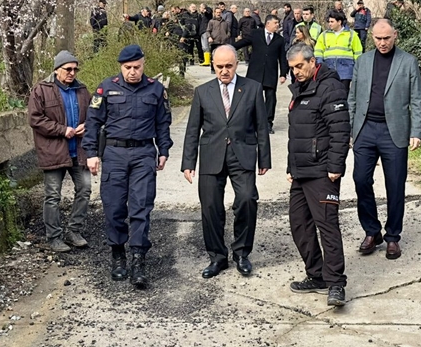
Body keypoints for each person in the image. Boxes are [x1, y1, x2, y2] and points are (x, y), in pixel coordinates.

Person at [83, 45, 173, 289]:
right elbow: (92, 122)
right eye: (128, 68)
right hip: (114, 153)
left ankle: (138, 259)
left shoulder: (155, 89)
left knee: (141, 207)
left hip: (144, 153)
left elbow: (163, 123)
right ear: (120, 67)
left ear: (144, 65)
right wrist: (91, 153)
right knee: (113, 207)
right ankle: (118, 254)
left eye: (137, 67)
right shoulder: (106, 87)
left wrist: (164, 150)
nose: (133, 72)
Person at [181, 45, 271, 279]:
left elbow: (261, 126)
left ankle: (242, 253)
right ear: (213, 66)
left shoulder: (252, 89)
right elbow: (192, 130)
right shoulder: (203, 92)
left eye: (228, 66)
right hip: (212, 155)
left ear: (236, 64)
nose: (224, 71)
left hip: (242, 153)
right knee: (210, 206)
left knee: (247, 199)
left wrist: (265, 158)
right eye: (219, 66)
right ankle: (217, 257)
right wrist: (188, 162)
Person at [349, 20, 421, 260]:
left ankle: (393, 237)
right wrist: (351, 130)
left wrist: (416, 131)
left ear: (395, 36)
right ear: (372, 37)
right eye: (378, 38)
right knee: (360, 180)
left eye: (387, 38)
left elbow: (416, 100)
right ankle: (372, 231)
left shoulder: (408, 62)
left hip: (395, 131)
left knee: (395, 185)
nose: (382, 43)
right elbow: (352, 97)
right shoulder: (362, 61)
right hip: (365, 130)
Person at [284, 43, 350, 308]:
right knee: (299, 224)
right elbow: (297, 132)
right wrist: (291, 166)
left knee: (327, 226)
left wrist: (336, 166)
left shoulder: (330, 87)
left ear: (312, 62)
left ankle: (336, 283)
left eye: (300, 66)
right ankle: (316, 275)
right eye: (292, 68)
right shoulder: (300, 87)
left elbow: (340, 130)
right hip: (301, 171)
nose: (296, 72)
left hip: (323, 171)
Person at [27, 50, 92, 252]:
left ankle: (74, 230)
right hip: (53, 151)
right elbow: (35, 119)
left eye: (75, 69)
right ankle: (53, 236)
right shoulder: (41, 90)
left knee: (85, 189)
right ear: (57, 70)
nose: (72, 73)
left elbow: (94, 114)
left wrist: (86, 125)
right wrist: (63, 130)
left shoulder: (82, 90)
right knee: (52, 195)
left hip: (78, 151)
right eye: (68, 69)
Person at [234, 13, 289, 133]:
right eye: (275, 23)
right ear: (268, 23)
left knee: (270, 98)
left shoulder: (279, 40)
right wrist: (227, 48)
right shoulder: (255, 34)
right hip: (255, 72)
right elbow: (242, 43)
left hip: (270, 73)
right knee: (252, 98)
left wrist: (283, 74)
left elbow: (282, 58)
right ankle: (250, 122)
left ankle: (268, 123)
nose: (277, 25)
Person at [314, 10, 358, 95]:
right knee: (330, 92)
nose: (329, 24)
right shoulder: (324, 35)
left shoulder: (352, 35)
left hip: (345, 70)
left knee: (344, 92)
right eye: (329, 21)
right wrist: (320, 64)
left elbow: (357, 53)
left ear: (339, 22)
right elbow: (318, 51)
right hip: (329, 69)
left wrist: (357, 68)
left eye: (332, 21)